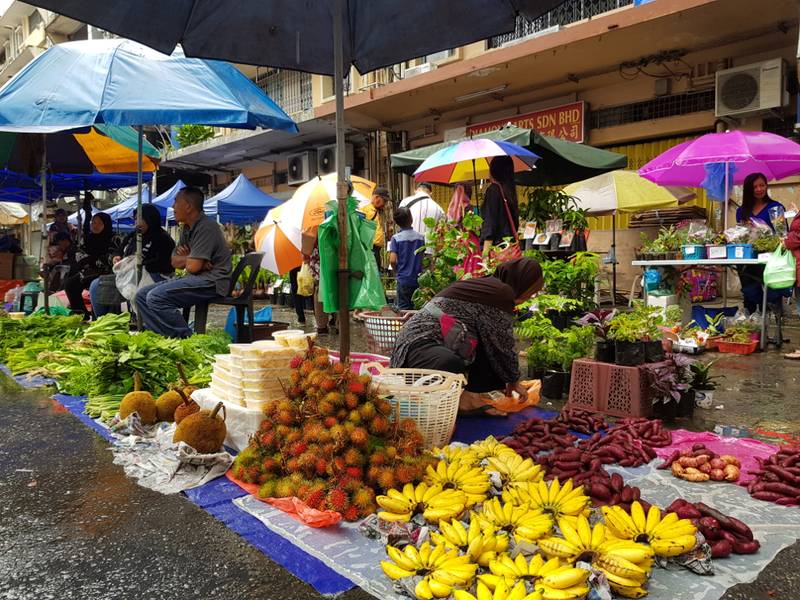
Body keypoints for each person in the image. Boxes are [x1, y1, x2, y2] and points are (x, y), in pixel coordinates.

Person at [391, 257, 543, 414]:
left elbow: (494, 338)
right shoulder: (501, 292)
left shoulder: (490, 286)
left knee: (488, 343)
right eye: (530, 292)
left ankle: (470, 398)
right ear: (523, 283)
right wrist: (513, 381)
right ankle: (435, 407)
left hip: (428, 342)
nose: (528, 297)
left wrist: (509, 379)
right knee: (449, 362)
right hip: (416, 347)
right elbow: (504, 342)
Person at [135, 187, 232, 338]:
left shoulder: (206, 226)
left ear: (188, 206)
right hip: (196, 278)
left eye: (175, 202)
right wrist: (192, 258)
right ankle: (164, 337)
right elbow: (174, 261)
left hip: (213, 281)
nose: (173, 207)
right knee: (140, 295)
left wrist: (191, 260)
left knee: (155, 297)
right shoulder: (187, 228)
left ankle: (185, 339)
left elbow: (193, 267)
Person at [89, 204, 175, 318]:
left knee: (137, 292)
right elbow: (118, 251)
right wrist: (116, 257)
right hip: (127, 276)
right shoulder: (132, 236)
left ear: (150, 218)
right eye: (135, 219)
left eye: (140, 219)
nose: (136, 223)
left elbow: (165, 264)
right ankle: (103, 320)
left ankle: (141, 319)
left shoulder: (163, 238)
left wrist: (140, 264)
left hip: (152, 278)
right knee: (96, 286)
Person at [735, 173, 786, 313]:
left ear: (766, 186)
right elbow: (739, 236)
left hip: (770, 258)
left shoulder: (775, 208)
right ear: (748, 189)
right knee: (749, 293)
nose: (759, 189)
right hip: (747, 259)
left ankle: (770, 324)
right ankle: (752, 326)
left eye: (762, 185)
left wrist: (763, 229)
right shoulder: (741, 211)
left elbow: (782, 234)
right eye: (754, 186)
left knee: (770, 296)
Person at [63, 210, 114, 319]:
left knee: (94, 285)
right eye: (93, 222)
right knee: (70, 284)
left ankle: (98, 316)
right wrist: (86, 262)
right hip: (88, 271)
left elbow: (111, 258)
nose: (94, 226)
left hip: (105, 273)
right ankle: (81, 314)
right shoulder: (88, 238)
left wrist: (92, 260)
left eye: (99, 223)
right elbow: (79, 254)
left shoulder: (113, 239)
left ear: (106, 224)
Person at [480, 155, 519, 253]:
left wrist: (485, 256)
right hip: (510, 249)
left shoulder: (493, 190)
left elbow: (490, 225)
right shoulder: (510, 192)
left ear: (493, 170)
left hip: (497, 250)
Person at [388, 206, 425, 310]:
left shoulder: (396, 238)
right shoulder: (420, 238)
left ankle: (405, 326)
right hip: (418, 279)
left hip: (403, 279)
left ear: (396, 223)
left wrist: (396, 271)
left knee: (404, 309)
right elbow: (423, 259)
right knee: (417, 309)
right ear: (411, 219)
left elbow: (392, 260)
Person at [361, 186, 390, 269]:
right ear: (377, 198)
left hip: (376, 248)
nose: (385, 204)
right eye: (384, 201)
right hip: (370, 248)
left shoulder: (378, 211)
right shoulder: (366, 210)